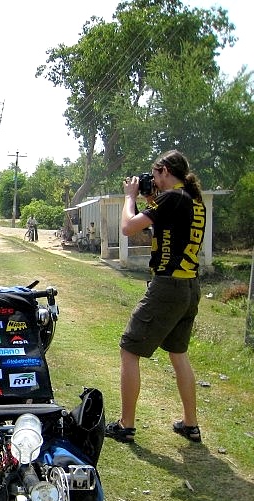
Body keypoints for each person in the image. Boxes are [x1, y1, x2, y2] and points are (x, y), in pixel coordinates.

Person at [106, 150, 206, 444]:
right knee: (178, 354)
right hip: (189, 286)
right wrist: (150, 200)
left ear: (164, 171)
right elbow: (167, 228)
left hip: (168, 286)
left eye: (155, 174)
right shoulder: (192, 199)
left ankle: (125, 425)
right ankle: (190, 424)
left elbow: (128, 228)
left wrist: (129, 197)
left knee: (129, 349)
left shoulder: (173, 197)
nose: (154, 182)